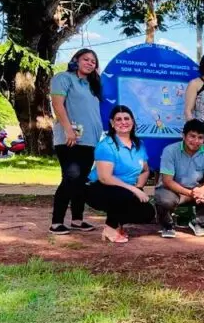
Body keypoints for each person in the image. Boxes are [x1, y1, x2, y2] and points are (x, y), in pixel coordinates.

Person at [49, 48, 103, 235]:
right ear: (76, 60)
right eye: (86, 59)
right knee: (71, 178)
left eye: (93, 62)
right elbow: (57, 104)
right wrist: (68, 130)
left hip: (89, 141)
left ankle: (77, 220)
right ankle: (56, 222)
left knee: (81, 181)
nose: (90, 63)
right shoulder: (64, 78)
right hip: (69, 139)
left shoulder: (91, 85)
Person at [85, 105, 154, 243]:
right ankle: (110, 228)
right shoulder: (106, 145)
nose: (123, 122)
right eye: (118, 119)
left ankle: (118, 224)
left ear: (133, 121)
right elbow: (105, 178)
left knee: (148, 213)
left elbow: (145, 170)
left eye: (127, 118)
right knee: (123, 195)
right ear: (112, 123)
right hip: (97, 188)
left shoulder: (139, 144)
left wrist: (139, 187)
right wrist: (133, 189)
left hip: (125, 190)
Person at [154, 119, 204, 238]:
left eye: (200, 137)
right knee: (164, 199)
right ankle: (167, 225)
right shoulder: (170, 150)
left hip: (197, 190)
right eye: (192, 136)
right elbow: (167, 181)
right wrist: (191, 193)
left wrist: (202, 190)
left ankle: (198, 222)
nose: (196, 141)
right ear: (183, 136)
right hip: (174, 190)